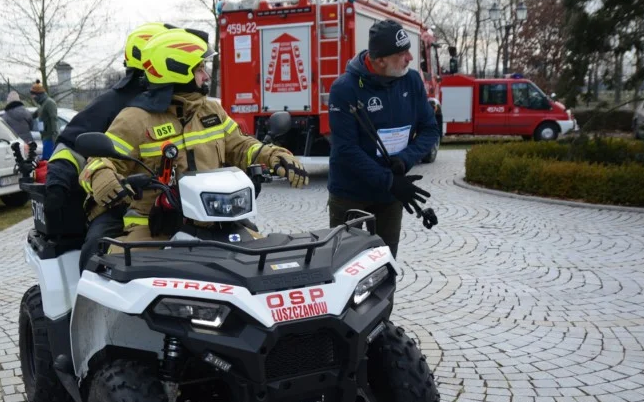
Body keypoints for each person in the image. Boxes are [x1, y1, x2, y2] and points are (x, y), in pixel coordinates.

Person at [78, 28, 308, 250]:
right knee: (126, 274)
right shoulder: (135, 119)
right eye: (199, 68)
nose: (206, 75)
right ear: (178, 70)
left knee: (261, 260)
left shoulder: (211, 111)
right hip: (155, 227)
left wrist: (273, 155)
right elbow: (97, 162)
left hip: (218, 221)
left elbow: (240, 145)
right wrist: (102, 176)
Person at [44, 22, 174, 269]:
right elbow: (71, 144)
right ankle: (89, 305)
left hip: (174, 203)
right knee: (97, 253)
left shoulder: (178, 104)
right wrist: (58, 183)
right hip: (117, 202)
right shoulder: (111, 104)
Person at [327, 20, 436, 257]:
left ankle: (386, 297)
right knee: (344, 267)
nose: (410, 57)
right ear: (380, 60)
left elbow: (430, 130)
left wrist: (404, 160)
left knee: (386, 266)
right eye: (402, 53)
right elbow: (346, 150)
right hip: (350, 193)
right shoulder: (344, 89)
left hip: (390, 195)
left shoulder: (412, 81)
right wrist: (389, 180)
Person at [30, 81, 59, 160]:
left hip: (50, 138)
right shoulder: (42, 105)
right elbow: (33, 115)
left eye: (34, 95)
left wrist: (55, 137)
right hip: (44, 136)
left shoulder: (49, 103)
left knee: (47, 159)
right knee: (45, 159)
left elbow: (54, 119)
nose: (33, 98)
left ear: (39, 95)